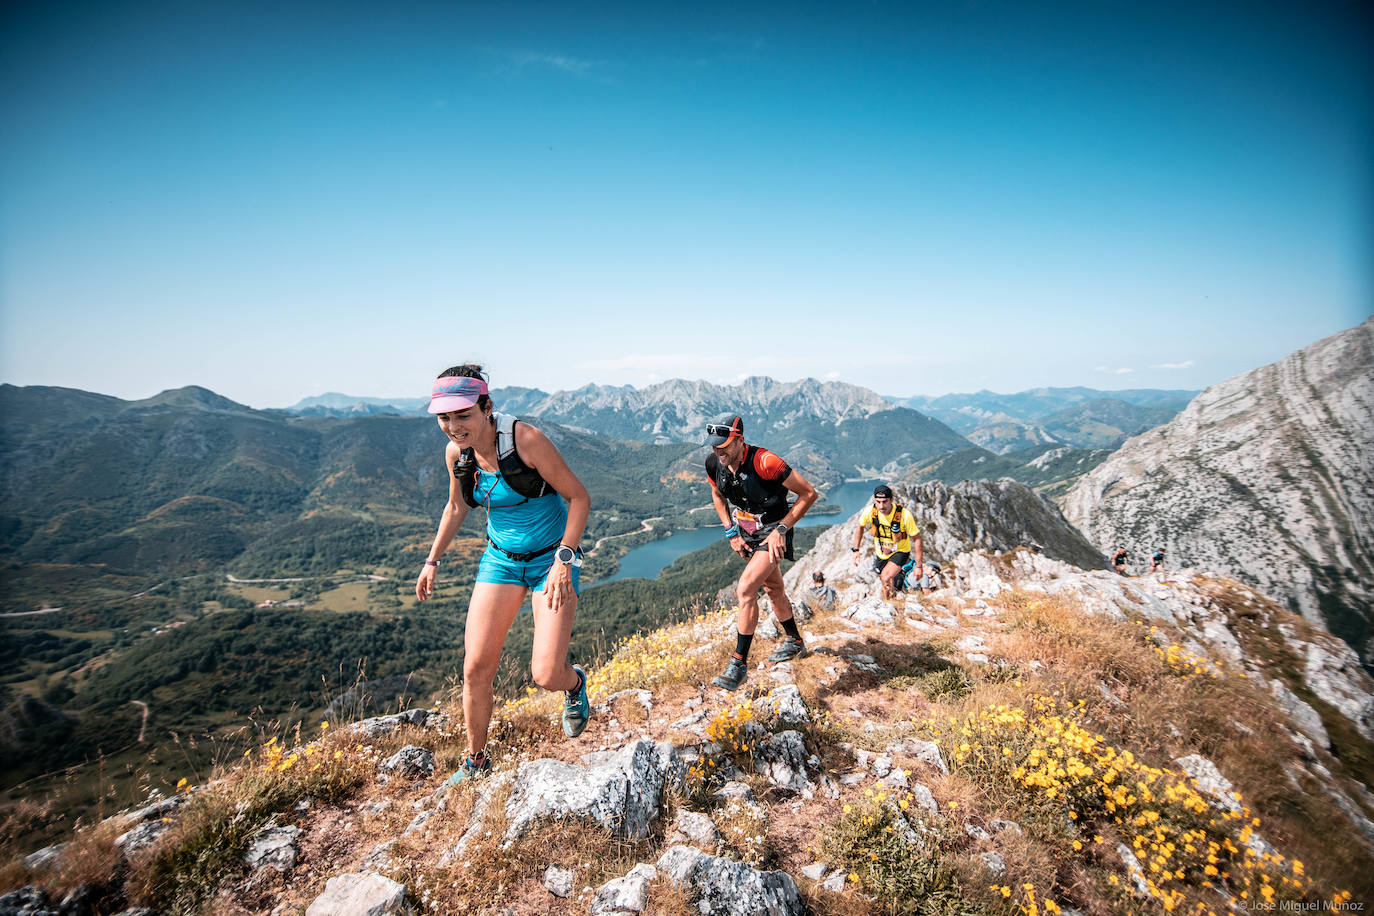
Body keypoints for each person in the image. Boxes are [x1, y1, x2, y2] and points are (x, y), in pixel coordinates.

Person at [415, 365, 592, 784]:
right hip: (500, 560)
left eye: (463, 415)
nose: (453, 426)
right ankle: (476, 761)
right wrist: (432, 560)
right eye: (444, 417)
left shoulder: (525, 440)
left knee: (546, 673)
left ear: (486, 407)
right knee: (476, 667)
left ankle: (575, 684)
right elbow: (457, 507)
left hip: (552, 559)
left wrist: (564, 560)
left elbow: (579, 497)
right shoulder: (456, 454)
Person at [703, 414, 818, 691]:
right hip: (746, 532)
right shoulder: (714, 464)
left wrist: (782, 529)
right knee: (773, 588)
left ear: (740, 440)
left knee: (745, 590)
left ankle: (739, 664)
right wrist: (730, 532)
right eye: (714, 446)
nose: (718, 452)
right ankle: (795, 641)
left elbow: (809, 494)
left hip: (774, 532)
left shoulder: (766, 462)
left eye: (724, 446)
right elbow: (718, 494)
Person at [852, 484, 922, 600]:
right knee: (886, 582)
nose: (881, 506)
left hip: (900, 551)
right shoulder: (870, 512)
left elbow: (917, 538)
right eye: (878, 502)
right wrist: (856, 550)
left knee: (885, 577)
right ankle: (894, 601)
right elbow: (860, 527)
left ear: (892, 500)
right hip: (881, 554)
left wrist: (919, 566)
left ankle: (886, 607)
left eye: (885, 501)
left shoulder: (904, 515)